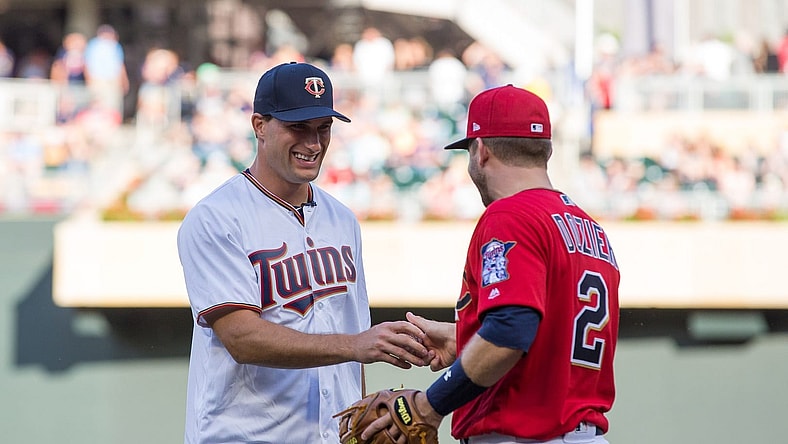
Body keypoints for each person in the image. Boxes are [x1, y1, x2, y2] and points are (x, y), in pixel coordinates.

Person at [177, 61, 431, 444]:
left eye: (323, 129)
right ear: (259, 126)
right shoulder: (216, 218)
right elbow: (241, 338)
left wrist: (359, 421)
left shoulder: (342, 220)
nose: (313, 144)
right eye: (298, 127)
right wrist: (356, 345)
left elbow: (353, 331)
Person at [361, 85, 621, 444]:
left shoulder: (510, 215)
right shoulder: (590, 229)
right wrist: (467, 339)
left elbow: (510, 331)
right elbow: (548, 335)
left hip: (524, 437)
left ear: (481, 151)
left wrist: (427, 405)